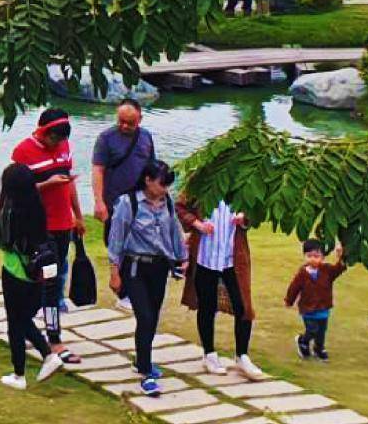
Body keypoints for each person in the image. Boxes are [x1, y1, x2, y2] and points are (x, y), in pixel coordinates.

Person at [106, 161, 187, 397]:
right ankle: (145, 372)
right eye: (162, 184)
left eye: (168, 185)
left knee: (153, 317)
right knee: (145, 315)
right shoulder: (128, 203)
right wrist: (114, 272)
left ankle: (142, 359)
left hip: (159, 267)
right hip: (135, 267)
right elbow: (116, 238)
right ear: (148, 180)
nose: (165, 189)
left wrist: (182, 257)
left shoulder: (167, 203)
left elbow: (174, 230)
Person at [10, 108, 82, 364]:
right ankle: (29, 325)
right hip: (39, 228)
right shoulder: (23, 152)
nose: (58, 144)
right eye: (54, 139)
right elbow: (17, 191)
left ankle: (53, 338)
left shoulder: (64, 146)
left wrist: (78, 216)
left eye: (62, 140)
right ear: (43, 131)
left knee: (52, 284)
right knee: (40, 282)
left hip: (63, 226)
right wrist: (46, 185)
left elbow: (70, 183)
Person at [0, 163, 66, 390]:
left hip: (15, 271)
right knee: (22, 319)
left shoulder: (10, 211)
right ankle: (43, 358)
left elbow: (3, 240)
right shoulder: (36, 207)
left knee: (16, 322)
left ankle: (21, 372)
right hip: (36, 274)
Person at [179, 196, 266, 379]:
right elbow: (179, 208)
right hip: (205, 256)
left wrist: (244, 219)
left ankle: (242, 355)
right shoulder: (201, 181)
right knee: (206, 307)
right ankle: (209, 354)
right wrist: (197, 224)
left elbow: (258, 210)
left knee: (243, 306)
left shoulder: (244, 183)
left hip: (232, 257)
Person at [92, 97, 158, 263]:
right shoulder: (105, 138)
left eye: (131, 122)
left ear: (140, 119)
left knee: (141, 245)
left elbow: (153, 169)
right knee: (115, 245)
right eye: (121, 121)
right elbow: (98, 170)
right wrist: (99, 202)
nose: (125, 126)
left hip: (141, 203)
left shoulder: (146, 137)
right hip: (115, 203)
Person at [285, 238, 345, 361]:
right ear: (304, 256)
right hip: (307, 308)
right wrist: (289, 300)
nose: (313, 259)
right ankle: (303, 340)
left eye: (316, 256)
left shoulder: (327, 270)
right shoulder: (302, 274)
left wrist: (341, 257)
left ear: (323, 257)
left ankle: (319, 348)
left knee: (321, 332)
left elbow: (339, 269)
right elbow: (294, 288)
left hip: (323, 307)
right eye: (309, 256)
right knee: (312, 330)